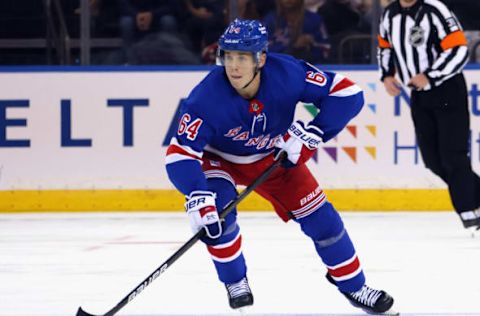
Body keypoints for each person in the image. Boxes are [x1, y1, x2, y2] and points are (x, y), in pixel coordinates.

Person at [166, 19, 397, 314]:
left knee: (324, 222)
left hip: (272, 156)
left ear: (261, 58)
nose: (233, 67)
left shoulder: (288, 73)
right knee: (219, 216)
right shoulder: (204, 98)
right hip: (218, 159)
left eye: (242, 58)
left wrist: (315, 132)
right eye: (229, 56)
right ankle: (235, 281)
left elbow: (348, 93)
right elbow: (180, 153)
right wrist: (197, 194)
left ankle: (355, 287)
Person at [378, 0, 480, 229]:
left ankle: (467, 210)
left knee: (453, 155)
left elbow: (459, 48)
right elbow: (384, 47)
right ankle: (474, 198)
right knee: (433, 160)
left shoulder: (434, 9)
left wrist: (431, 75)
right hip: (420, 95)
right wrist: (387, 75)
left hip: (448, 89)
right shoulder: (389, 14)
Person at [263, 0, 330, 63]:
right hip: (278, 65)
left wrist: (312, 43)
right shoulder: (270, 20)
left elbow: (326, 48)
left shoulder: (314, 19)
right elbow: (263, 50)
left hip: (309, 66)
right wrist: (293, 47)